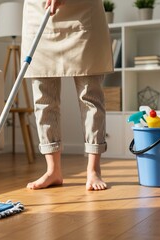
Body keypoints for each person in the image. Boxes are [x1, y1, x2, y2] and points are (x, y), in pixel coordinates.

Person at [21, 0, 114, 191]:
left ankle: (93, 169)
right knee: (43, 99)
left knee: (90, 97)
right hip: (40, 13)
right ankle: (52, 170)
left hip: (83, 11)